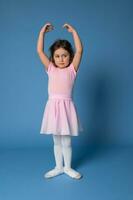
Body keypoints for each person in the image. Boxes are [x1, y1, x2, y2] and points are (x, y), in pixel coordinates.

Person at [37, 22, 83, 179]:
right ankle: (58, 167)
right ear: (53, 58)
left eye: (64, 55)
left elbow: (80, 51)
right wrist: (42, 33)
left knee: (67, 142)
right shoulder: (51, 68)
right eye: (57, 56)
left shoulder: (72, 70)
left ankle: (68, 167)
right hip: (53, 108)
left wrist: (74, 32)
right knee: (56, 141)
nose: (61, 59)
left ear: (69, 56)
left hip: (66, 108)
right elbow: (39, 51)